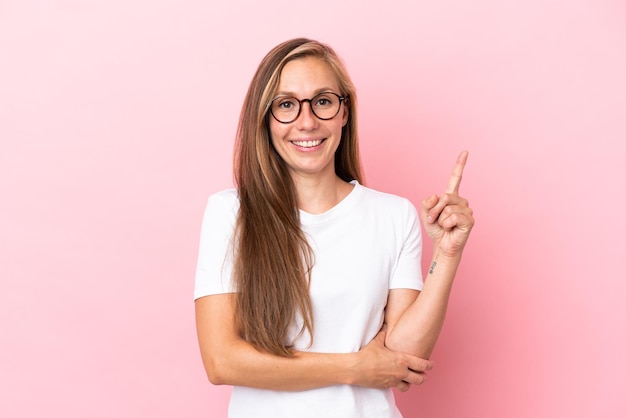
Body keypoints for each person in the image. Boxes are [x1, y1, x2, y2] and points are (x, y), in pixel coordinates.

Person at [194, 38, 474, 418]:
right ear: (265, 118)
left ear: (344, 112)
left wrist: (447, 252)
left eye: (323, 101)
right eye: (286, 105)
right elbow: (222, 361)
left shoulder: (394, 215)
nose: (306, 122)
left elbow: (405, 355)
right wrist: (355, 367)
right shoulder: (231, 213)